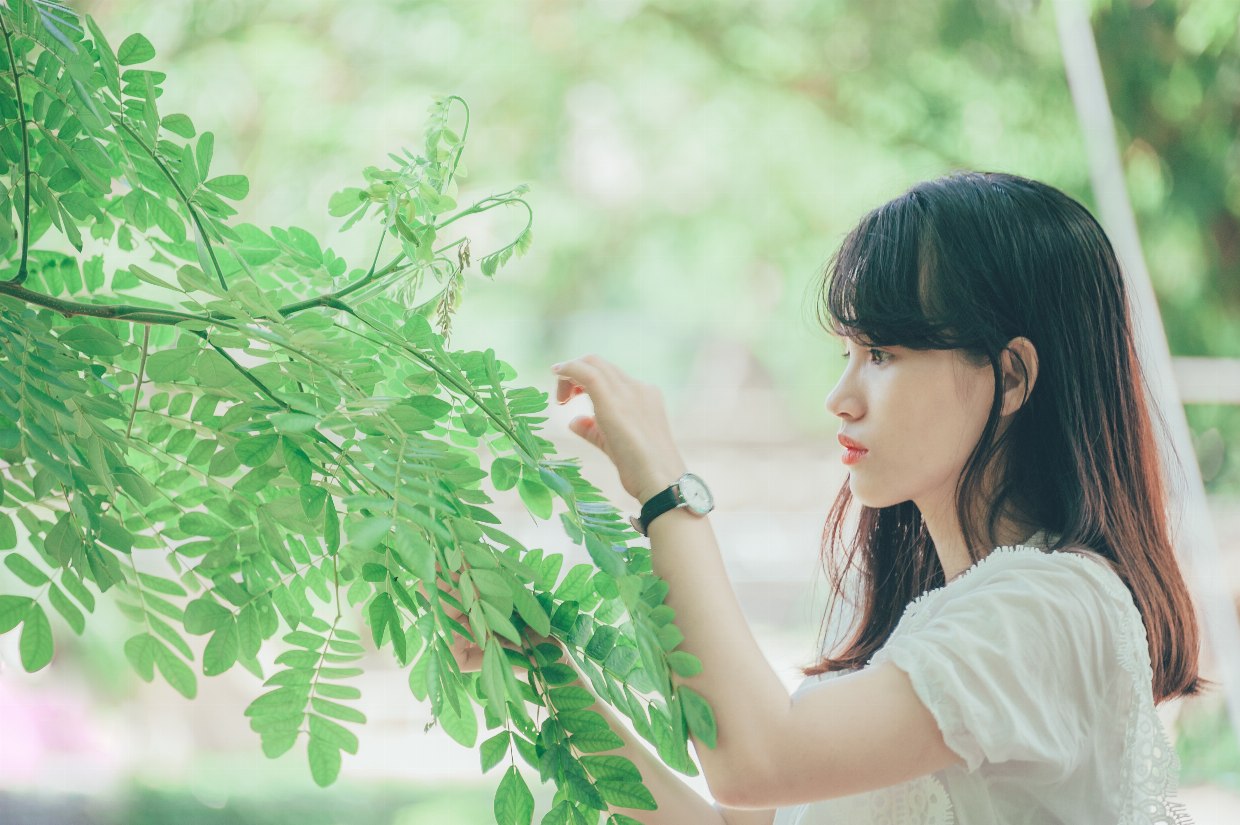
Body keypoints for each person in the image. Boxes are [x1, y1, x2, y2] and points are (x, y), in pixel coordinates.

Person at [458, 172, 1206, 823]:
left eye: (882, 353)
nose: (839, 397)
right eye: (846, 352)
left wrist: (666, 490)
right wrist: (539, 665)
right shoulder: (947, 620)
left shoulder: (1049, 606)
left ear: (1011, 376)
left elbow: (755, 760)